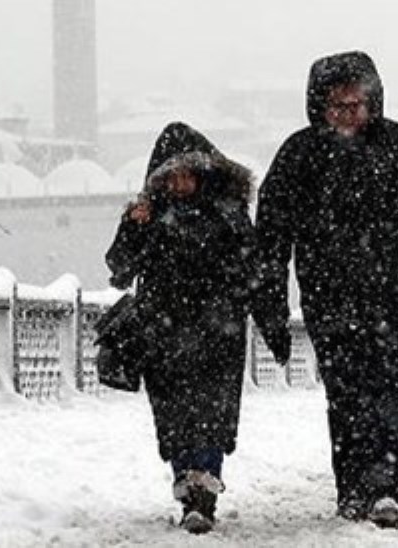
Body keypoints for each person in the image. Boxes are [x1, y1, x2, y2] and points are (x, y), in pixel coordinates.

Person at [254, 51, 398, 530]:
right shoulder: (299, 156)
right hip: (327, 295)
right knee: (344, 391)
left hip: (392, 293)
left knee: (384, 386)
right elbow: (271, 235)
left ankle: (383, 486)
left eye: (357, 104)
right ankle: (351, 488)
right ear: (321, 106)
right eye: (339, 106)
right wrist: (269, 300)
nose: (349, 115)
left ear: (373, 102)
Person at [106, 122, 291, 535]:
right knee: (174, 418)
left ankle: (201, 493)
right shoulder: (149, 217)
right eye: (172, 175)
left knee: (211, 415)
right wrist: (133, 226)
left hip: (217, 334)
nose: (181, 183)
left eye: (188, 172)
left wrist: (273, 325)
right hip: (164, 335)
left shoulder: (229, 216)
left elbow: (256, 275)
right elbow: (119, 271)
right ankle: (188, 486)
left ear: (206, 172)